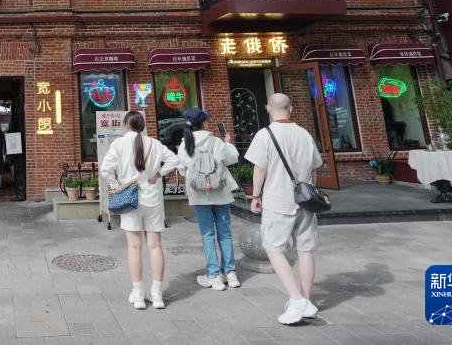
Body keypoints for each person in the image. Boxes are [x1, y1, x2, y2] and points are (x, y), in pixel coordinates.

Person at [245, 93, 324, 325]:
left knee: (273, 248)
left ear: (268, 108)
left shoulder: (265, 135)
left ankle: (296, 298)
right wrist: (310, 193)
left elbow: (260, 168)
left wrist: (256, 195)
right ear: (291, 109)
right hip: (305, 201)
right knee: (305, 250)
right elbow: (315, 168)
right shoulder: (304, 134)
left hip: (278, 200)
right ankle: (306, 299)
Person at [99, 111, 179, 310]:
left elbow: (105, 169)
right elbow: (174, 160)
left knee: (134, 247)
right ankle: (157, 294)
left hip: (130, 199)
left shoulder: (119, 144)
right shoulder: (155, 143)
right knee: (155, 246)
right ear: (142, 126)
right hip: (152, 198)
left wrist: (117, 186)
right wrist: (158, 174)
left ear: (126, 125)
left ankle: (138, 294)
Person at [176, 107, 241, 291]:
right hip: (220, 193)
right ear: (204, 122)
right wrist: (228, 143)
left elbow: (182, 170)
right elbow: (232, 159)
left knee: (207, 234)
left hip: (199, 195)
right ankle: (230, 273)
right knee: (225, 233)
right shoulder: (216, 142)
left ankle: (214, 275)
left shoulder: (186, 144)